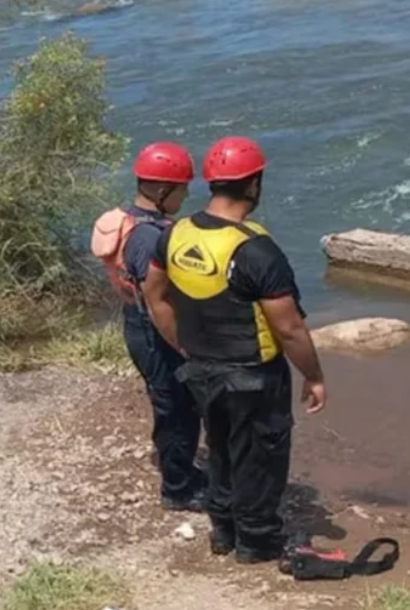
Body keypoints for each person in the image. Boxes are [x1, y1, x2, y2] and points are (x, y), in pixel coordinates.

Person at [141, 136, 327, 564]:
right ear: (253, 185)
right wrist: (314, 376)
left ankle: (223, 530)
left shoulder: (175, 234)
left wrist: (182, 345)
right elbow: (290, 328)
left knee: (221, 448)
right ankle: (257, 542)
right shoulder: (256, 250)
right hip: (253, 375)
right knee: (260, 455)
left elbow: (155, 297)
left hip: (201, 369)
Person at [92, 141, 210, 511]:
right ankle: (178, 489)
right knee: (177, 407)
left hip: (137, 322)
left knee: (170, 401)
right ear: (162, 191)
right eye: (181, 190)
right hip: (154, 330)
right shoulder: (150, 238)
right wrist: (183, 346)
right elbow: (158, 300)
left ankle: (182, 470)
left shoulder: (130, 221)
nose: (185, 196)